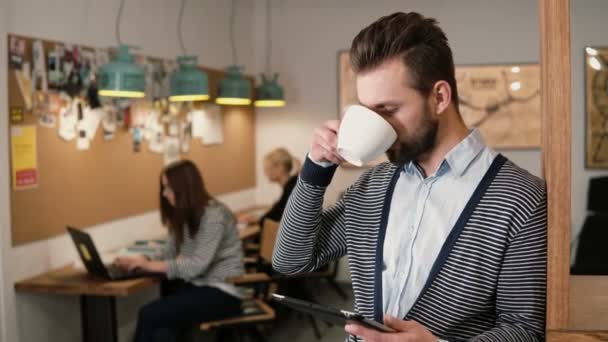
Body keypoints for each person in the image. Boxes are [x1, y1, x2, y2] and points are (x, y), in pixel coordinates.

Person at [272, 12, 547, 342]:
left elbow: (525, 329)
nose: (380, 127)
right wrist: (315, 170)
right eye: (368, 111)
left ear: (439, 97)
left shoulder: (521, 197)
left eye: (388, 110)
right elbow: (291, 260)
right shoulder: (372, 188)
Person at [114, 160, 244, 342]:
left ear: (185, 188)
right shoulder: (184, 214)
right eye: (163, 188)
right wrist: (143, 258)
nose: (164, 194)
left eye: (168, 188)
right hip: (196, 286)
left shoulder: (214, 215)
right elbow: (170, 251)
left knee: (149, 315)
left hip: (223, 292)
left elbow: (195, 266)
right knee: (162, 331)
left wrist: (149, 265)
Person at [239, 148, 300, 225]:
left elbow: (274, 216)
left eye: (268, 169)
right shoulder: (293, 185)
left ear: (280, 167)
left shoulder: (291, 189)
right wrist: (259, 218)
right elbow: (276, 212)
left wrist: (258, 219)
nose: (266, 173)